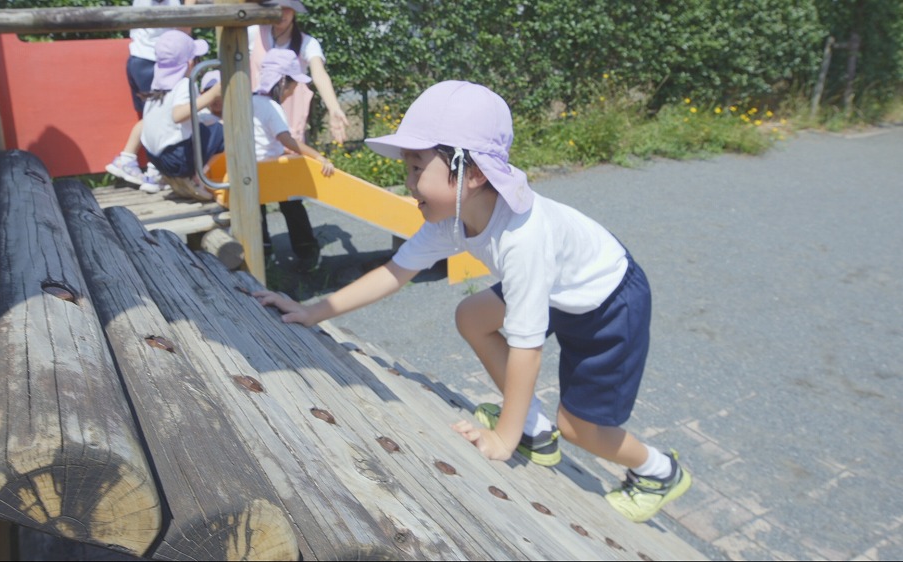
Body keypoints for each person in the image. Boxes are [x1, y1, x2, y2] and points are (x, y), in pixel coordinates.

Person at [253, 81, 691, 524]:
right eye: (408, 168)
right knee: (472, 315)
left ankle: (658, 471)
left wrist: (502, 437)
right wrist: (313, 312)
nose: (407, 183)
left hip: (609, 302)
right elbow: (394, 274)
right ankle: (536, 432)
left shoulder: (522, 239)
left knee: (581, 428)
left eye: (417, 167)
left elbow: (528, 349)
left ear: (472, 174)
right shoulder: (453, 219)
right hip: (559, 283)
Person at [251, 0, 349, 269]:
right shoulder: (254, 31)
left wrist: (334, 108)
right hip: (260, 125)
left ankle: (305, 249)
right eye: (276, 6)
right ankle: (261, 249)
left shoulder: (306, 43)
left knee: (290, 195)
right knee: (254, 196)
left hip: (288, 125)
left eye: (288, 7)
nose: (282, 13)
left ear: (295, 11)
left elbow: (319, 74)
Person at [106, 0, 195, 187]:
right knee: (159, 116)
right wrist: (191, 4)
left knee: (152, 115)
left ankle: (150, 168)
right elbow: (184, 28)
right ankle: (130, 160)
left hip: (139, 59)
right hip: (155, 62)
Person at [253, 48, 335, 225]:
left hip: (251, 169)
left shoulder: (250, 101)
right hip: (271, 169)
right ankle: (306, 248)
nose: (292, 93)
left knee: (256, 211)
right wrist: (318, 157)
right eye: (293, 87)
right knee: (292, 202)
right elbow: (287, 140)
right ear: (283, 82)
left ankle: (264, 250)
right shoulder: (272, 107)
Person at [138, 30, 222, 201]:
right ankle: (197, 177)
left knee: (204, 125)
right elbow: (178, 115)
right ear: (190, 63)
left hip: (156, 159)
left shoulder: (157, 86)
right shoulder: (184, 83)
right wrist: (213, 94)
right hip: (177, 159)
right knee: (222, 132)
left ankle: (181, 179)